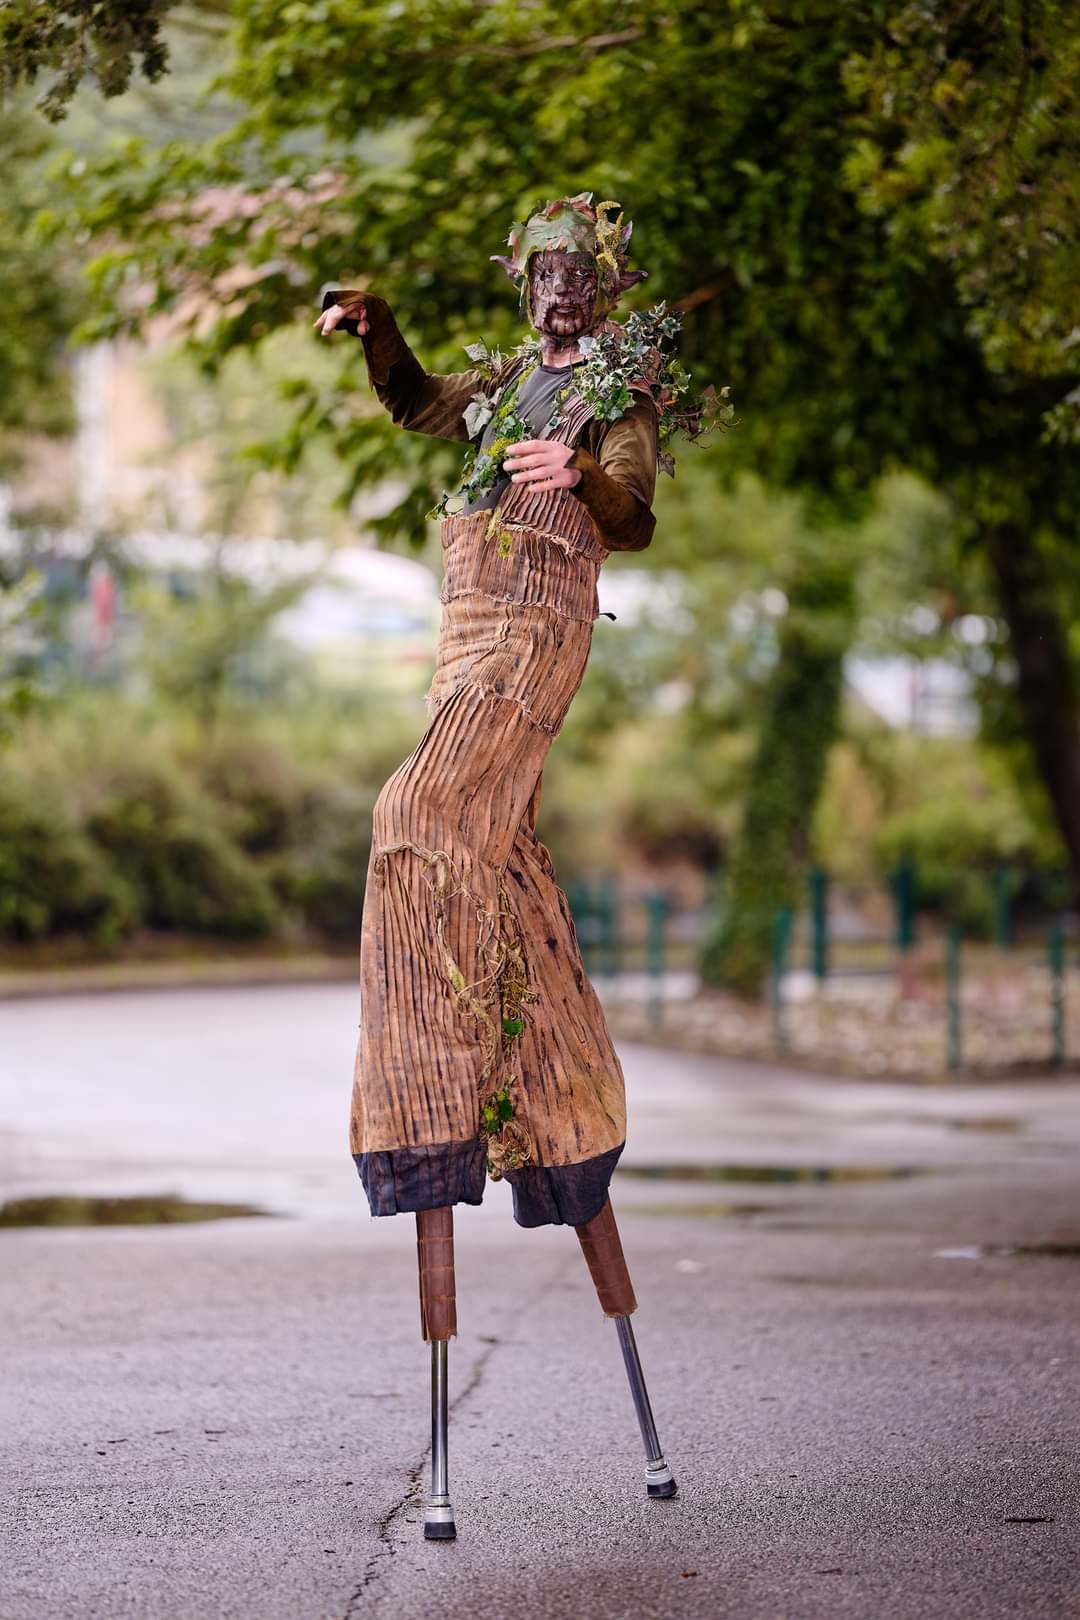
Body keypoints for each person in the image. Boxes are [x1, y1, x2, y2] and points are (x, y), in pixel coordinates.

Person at [315, 194, 677, 1539]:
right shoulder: (504, 382)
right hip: (465, 638)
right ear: (523, 287)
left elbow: (632, 518)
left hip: (537, 641)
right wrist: (378, 328)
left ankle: (420, 1112)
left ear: (606, 283)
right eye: (545, 276)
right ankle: (553, 1108)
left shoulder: (625, 393)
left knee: (414, 822)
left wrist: (576, 477)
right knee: (501, 883)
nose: (562, 292)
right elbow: (414, 404)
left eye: (581, 275)